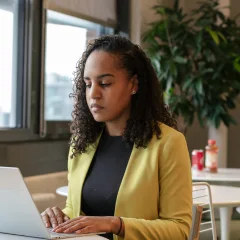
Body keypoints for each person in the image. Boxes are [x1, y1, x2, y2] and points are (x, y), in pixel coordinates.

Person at [41, 35, 192, 240]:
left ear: (134, 85)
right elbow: (76, 210)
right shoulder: (83, 143)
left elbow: (179, 230)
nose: (93, 94)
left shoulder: (168, 143)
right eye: (87, 84)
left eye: (104, 83)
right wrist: (59, 217)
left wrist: (117, 224)